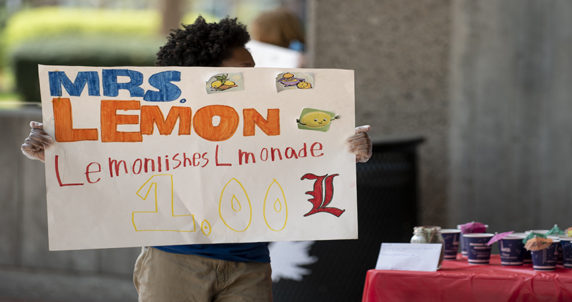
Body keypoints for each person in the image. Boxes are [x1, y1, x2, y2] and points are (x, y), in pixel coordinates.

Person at [20, 16, 372, 302]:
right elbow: (108, 160)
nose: (257, 77)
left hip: (248, 265)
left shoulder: (276, 121)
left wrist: (348, 150)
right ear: (208, 77)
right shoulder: (160, 120)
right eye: (243, 71)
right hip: (173, 262)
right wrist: (53, 151)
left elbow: (309, 157)